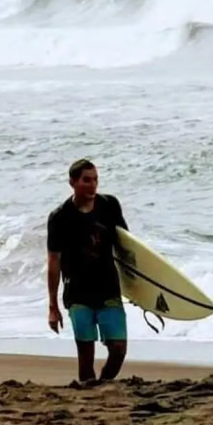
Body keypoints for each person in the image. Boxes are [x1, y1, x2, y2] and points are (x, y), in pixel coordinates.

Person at [46, 159, 129, 382]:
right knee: (86, 357)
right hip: (78, 293)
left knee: (118, 349)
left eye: (95, 180)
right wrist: (53, 306)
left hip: (108, 288)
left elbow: (126, 246)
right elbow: (53, 261)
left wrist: (140, 289)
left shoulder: (109, 205)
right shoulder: (59, 217)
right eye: (86, 180)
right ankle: (92, 394)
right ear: (72, 182)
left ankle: (102, 384)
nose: (93, 185)